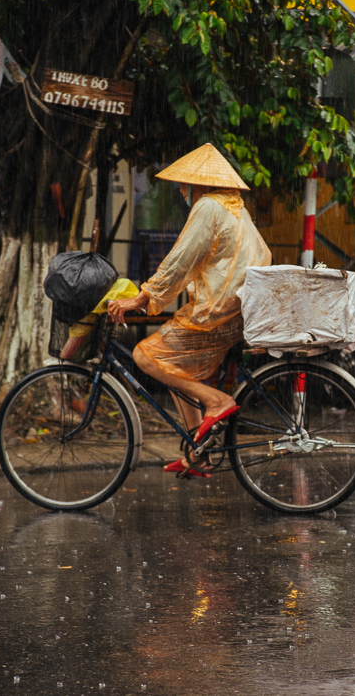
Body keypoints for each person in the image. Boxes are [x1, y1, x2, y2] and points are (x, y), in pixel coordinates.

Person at [107, 143, 272, 476]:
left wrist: (142, 298)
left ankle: (217, 401)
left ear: (198, 184)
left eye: (184, 185)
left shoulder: (209, 207)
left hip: (220, 310)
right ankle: (199, 454)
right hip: (241, 306)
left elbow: (181, 261)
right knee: (177, 368)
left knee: (146, 355)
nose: (182, 192)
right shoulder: (235, 206)